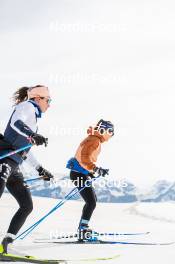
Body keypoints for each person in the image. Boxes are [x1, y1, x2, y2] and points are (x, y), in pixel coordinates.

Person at [0, 85, 54, 253]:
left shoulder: (34, 124)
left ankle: (6, 244)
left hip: (14, 166)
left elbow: (24, 151)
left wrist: (40, 169)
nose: (49, 104)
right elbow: (17, 123)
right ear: (38, 98)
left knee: (26, 205)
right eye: (48, 100)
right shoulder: (27, 106)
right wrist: (31, 135)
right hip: (3, 160)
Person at [66, 119, 114, 241]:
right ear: (104, 130)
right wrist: (95, 169)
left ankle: (83, 228)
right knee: (91, 202)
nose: (112, 135)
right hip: (78, 174)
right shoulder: (94, 140)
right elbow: (84, 157)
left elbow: (83, 158)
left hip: (80, 173)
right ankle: (83, 230)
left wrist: (91, 172)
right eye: (111, 132)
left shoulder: (94, 139)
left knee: (92, 200)